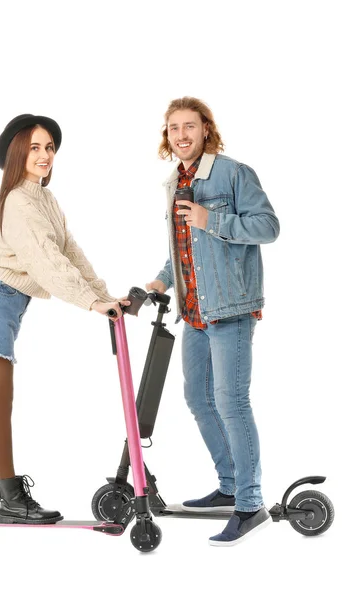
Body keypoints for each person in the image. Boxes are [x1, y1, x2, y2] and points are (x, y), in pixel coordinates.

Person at [0, 113, 129, 526]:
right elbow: (45, 263)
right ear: (17, 152)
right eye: (35, 147)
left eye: (49, 147)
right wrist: (90, 302)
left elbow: (69, 253)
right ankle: (11, 499)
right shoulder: (18, 201)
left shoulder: (44, 199)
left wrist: (104, 296)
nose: (45, 155)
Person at [146, 97, 280, 546]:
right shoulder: (174, 183)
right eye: (173, 128)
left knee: (231, 401)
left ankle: (249, 502)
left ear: (206, 129)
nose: (181, 135)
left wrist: (211, 218)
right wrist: (159, 282)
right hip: (195, 313)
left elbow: (267, 226)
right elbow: (182, 252)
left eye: (189, 126)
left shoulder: (233, 173)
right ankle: (228, 485)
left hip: (231, 308)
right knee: (198, 398)